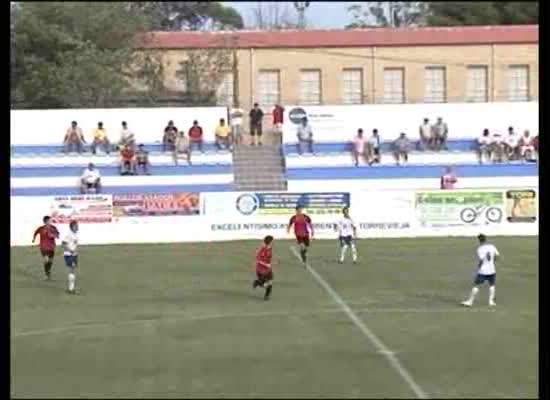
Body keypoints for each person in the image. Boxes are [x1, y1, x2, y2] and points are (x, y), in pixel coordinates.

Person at [462, 234, 499, 307]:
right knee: (492, 285)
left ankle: (470, 301)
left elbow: (481, 260)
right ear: (486, 239)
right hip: (492, 270)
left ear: (479, 240)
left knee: (476, 285)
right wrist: (492, 262)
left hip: (483, 271)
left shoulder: (480, 249)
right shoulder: (492, 246)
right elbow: (497, 256)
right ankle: (491, 302)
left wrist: (479, 266)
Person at [32, 216, 60, 280]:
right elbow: (36, 232)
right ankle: (46, 274)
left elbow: (58, 235)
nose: (50, 222)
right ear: (46, 221)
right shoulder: (41, 228)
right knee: (46, 260)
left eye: (50, 221)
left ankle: (48, 273)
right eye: (49, 220)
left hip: (51, 247)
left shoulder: (53, 228)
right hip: (43, 247)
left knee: (50, 261)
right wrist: (33, 238)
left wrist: (53, 235)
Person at [253, 235, 275, 301]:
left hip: (268, 269)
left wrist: (270, 263)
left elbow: (268, 258)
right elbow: (258, 259)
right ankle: (257, 282)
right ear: (270, 242)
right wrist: (266, 264)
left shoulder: (270, 248)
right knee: (265, 285)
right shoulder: (262, 249)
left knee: (270, 282)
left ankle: (266, 296)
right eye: (272, 241)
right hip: (261, 270)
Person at [62, 220, 79, 294]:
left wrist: (75, 251)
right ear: (72, 227)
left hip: (74, 254)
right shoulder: (69, 235)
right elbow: (63, 243)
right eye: (76, 226)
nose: (77, 227)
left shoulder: (75, 234)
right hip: (69, 255)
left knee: (73, 270)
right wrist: (70, 250)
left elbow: (74, 244)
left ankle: (71, 288)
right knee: (72, 269)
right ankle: (71, 289)